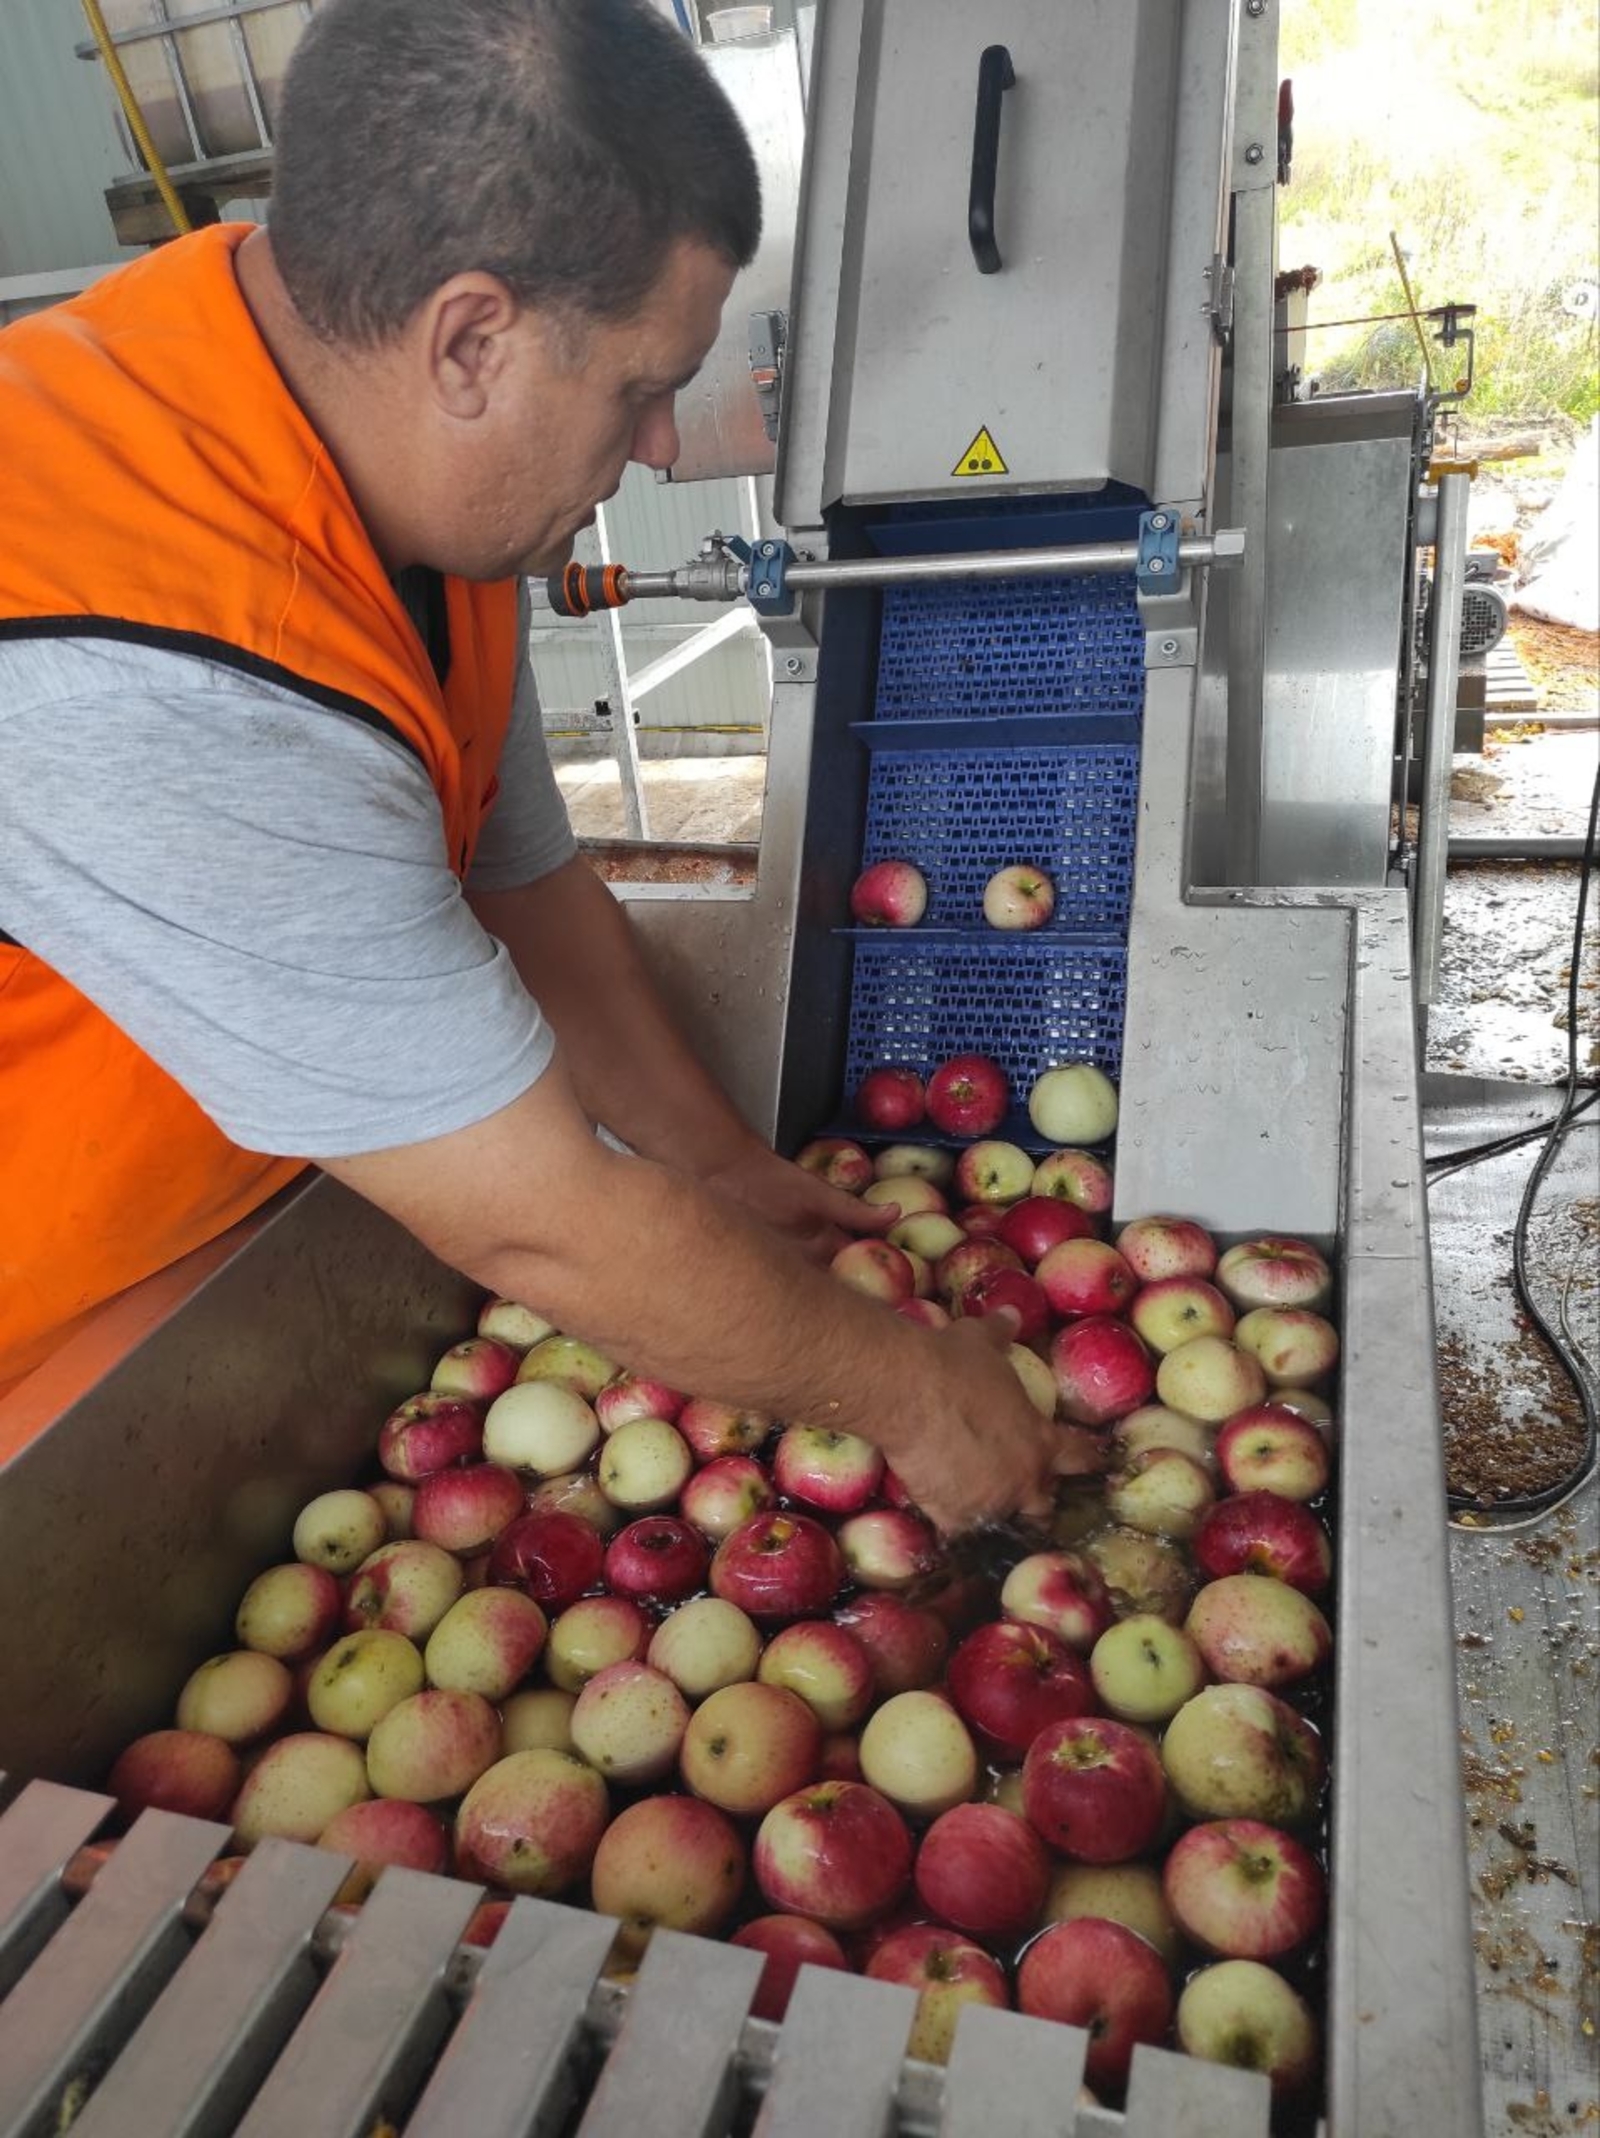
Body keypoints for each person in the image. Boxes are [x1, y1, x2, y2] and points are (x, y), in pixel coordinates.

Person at [0, 0, 1090, 1528]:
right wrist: (908, 1395)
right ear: (471, 342)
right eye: (641, 388)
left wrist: (721, 1168)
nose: (662, 447)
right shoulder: (163, 663)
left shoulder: (383, 472)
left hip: (163, 1257)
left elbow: (526, 890)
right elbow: (540, 1221)